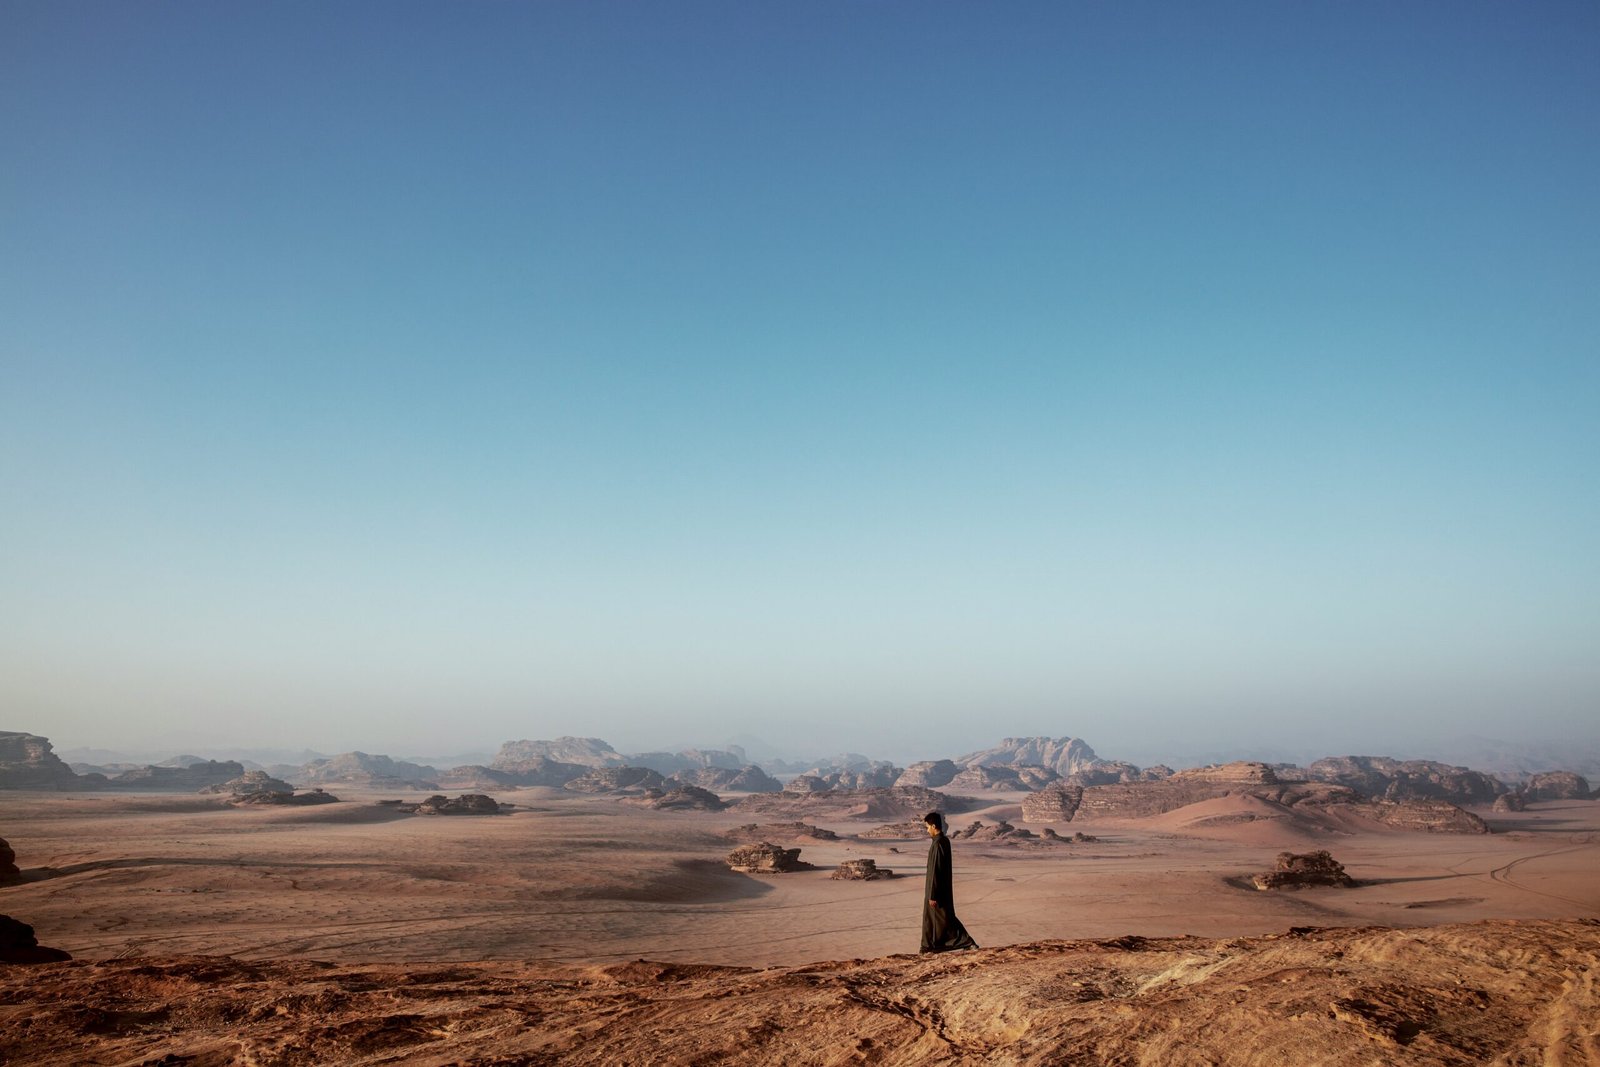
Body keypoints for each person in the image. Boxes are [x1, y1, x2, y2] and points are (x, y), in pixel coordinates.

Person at [920, 811, 978, 953]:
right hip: (941, 889)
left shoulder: (938, 843)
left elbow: (935, 870)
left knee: (942, 919)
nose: (927, 830)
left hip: (936, 890)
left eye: (927, 827)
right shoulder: (943, 841)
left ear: (934, 826)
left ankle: (965, 942)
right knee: (941, 918)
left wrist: (932, 894)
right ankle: (929, 946)